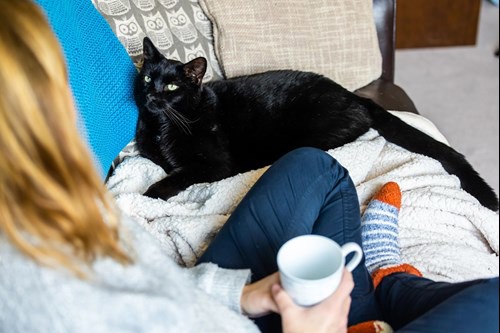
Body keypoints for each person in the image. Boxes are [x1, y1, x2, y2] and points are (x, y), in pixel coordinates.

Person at [0, 1, 498, 333]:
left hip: (230, 299)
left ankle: (382, 286)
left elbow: (152, 290)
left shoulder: (47, 202)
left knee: (314, 168)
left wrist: (247, 293)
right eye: (60, 89)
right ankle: (391, 283)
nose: (75, 107)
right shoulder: (32, 289)